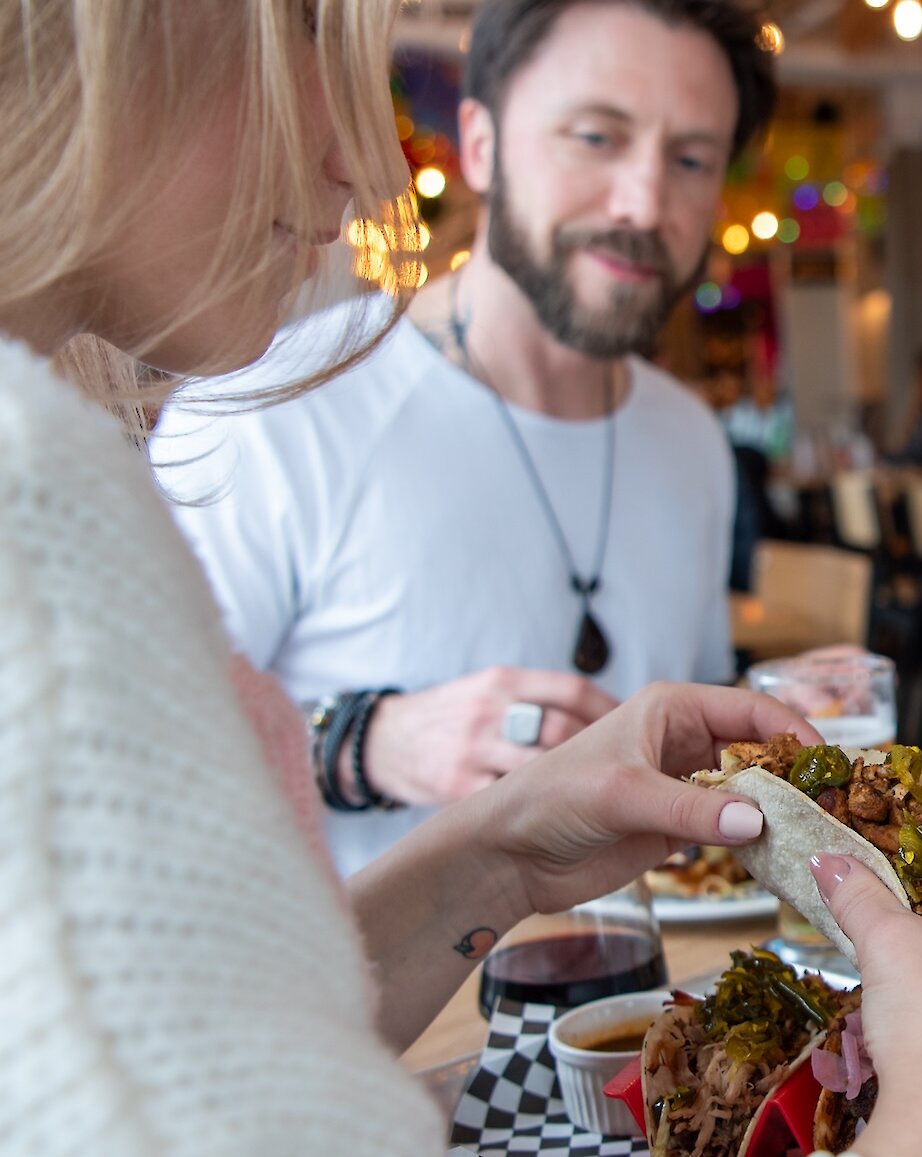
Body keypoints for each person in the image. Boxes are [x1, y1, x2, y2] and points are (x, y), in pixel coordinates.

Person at [0, 4, 922, 1155]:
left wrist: (493, 858)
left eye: (693, 157)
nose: (361, 157)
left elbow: (217, 1014)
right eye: (311, 30)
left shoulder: (688, 443)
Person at [155, 0, 754, 876]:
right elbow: (135, 764)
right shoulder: (268, 406)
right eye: (595, 137)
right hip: (358, 1007)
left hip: (647, 1002)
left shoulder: (691, 439)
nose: (644, 201)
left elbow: (693, 758)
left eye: (692, 158)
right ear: (480, 145)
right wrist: (368, 742)